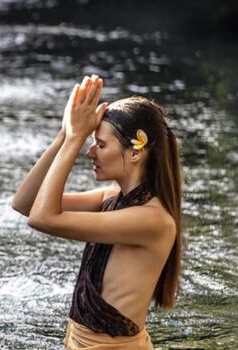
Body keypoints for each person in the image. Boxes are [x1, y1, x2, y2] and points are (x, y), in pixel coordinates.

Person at [12, 75, 182, 349]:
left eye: (100, 145)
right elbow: (25, 203)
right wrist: (65, 135)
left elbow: (42, 218)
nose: (89, 152)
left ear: (136, 152)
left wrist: (74, 141)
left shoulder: (152, 219)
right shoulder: (112, 198)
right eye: (90, 143)